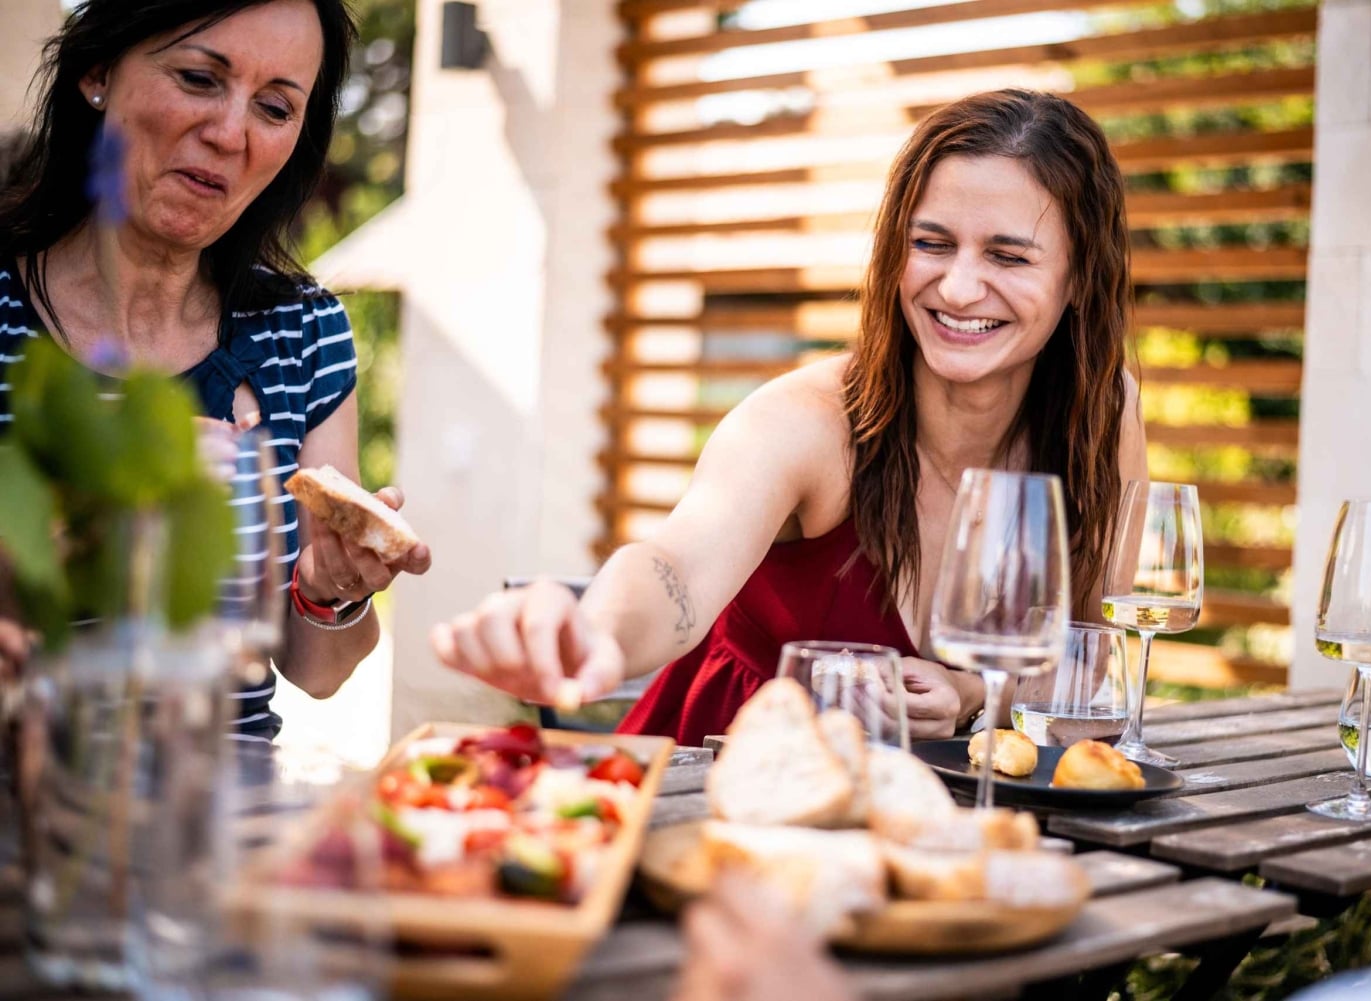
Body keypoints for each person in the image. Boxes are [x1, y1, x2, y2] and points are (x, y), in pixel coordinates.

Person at [432, 89, 1147, 747]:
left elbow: (1092, 658)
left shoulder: (1100, 417)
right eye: (931, 243)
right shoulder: (808, 422)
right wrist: (593, 635)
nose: (958, 286)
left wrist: (970, 694)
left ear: (1078, 275)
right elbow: (675, 564)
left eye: (1008, 254)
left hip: (931, 815)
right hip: (715, 782)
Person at [0, 0, 430, 741]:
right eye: (200, 78)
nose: (231, 134)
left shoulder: (303, 331)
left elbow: (319, 673)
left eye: (273, 107)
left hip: (225, 815)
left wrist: (332, 591)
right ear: (99, 71)